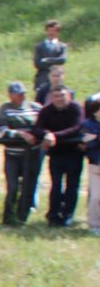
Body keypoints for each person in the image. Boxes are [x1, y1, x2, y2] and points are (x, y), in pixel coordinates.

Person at [33, 85, 86, 226]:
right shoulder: (47, 110)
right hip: (56, 154)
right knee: (56, 185)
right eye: (56, 96)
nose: (59, 99)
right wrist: (46, 134)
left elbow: (76, 128)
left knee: (72, 186)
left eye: (62, 96)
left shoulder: (76, 108)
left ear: (68, 96)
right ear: (52, 98)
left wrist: (53, 135)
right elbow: (36, 128)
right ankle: (53, 215)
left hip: (74, 153)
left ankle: (68, 215)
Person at [0, 81, 42, 226]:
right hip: (12, 154)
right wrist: (21, 134)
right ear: (10, 95)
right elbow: (3, 130)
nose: (21, 96)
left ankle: (22, 217)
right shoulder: (5, 108)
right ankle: (8, 217)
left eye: (23, 94)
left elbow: (41, 126)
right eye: (18, 94)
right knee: (13, 187)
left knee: (29, 186)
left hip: (32, 154)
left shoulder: (35, 108)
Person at [35, 20, 69, 96]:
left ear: (58, 32)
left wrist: (46, 60)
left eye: (53, 31)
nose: (51, 33)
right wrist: (55, 62)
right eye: (49, 30)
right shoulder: (39, 46)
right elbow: (37, 63)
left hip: (58, 79)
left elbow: (62, 60)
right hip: (42, 79)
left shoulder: (62, 46)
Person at [84, 94, 100, 233]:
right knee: (96, 197)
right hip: (95, 165)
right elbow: (87, 143)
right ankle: (94, 224)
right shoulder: (89, 124)